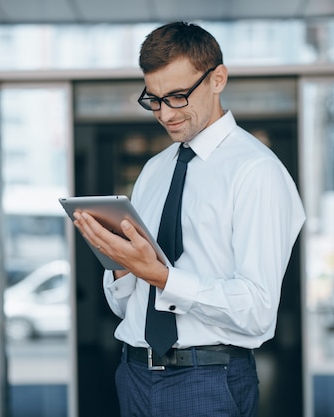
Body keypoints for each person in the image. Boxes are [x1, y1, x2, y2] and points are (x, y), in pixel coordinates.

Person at [73, 21, 305, 417]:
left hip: (208, 381)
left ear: (218, 79)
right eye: (155, 99)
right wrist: (119, 265)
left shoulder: (256, 171)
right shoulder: (154, 171)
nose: (165, 113)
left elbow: (257, 309)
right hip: (133, 375)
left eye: (178, 96)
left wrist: (161, 276)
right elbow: (125, 306)